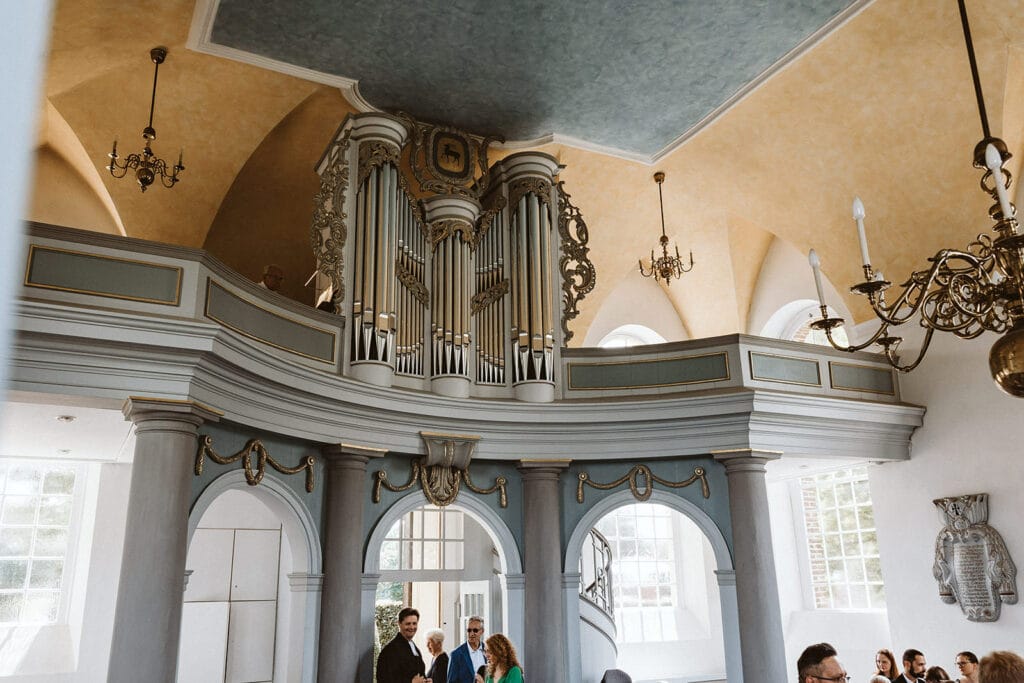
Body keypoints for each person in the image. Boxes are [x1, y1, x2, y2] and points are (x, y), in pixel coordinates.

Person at [376, 607, 429, 683]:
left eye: (414, 623)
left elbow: (418, 674)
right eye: (408, 624)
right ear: (399, 624)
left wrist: (425, 680)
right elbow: (385, 679)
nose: (412, 627)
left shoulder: (414, 648)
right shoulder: (390, 650)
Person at [448, 616, 486, 683]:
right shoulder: (456, 655)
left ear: (482, 631)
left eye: (475, 630)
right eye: (469, 630)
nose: (471, 634)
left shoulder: (489, 652)